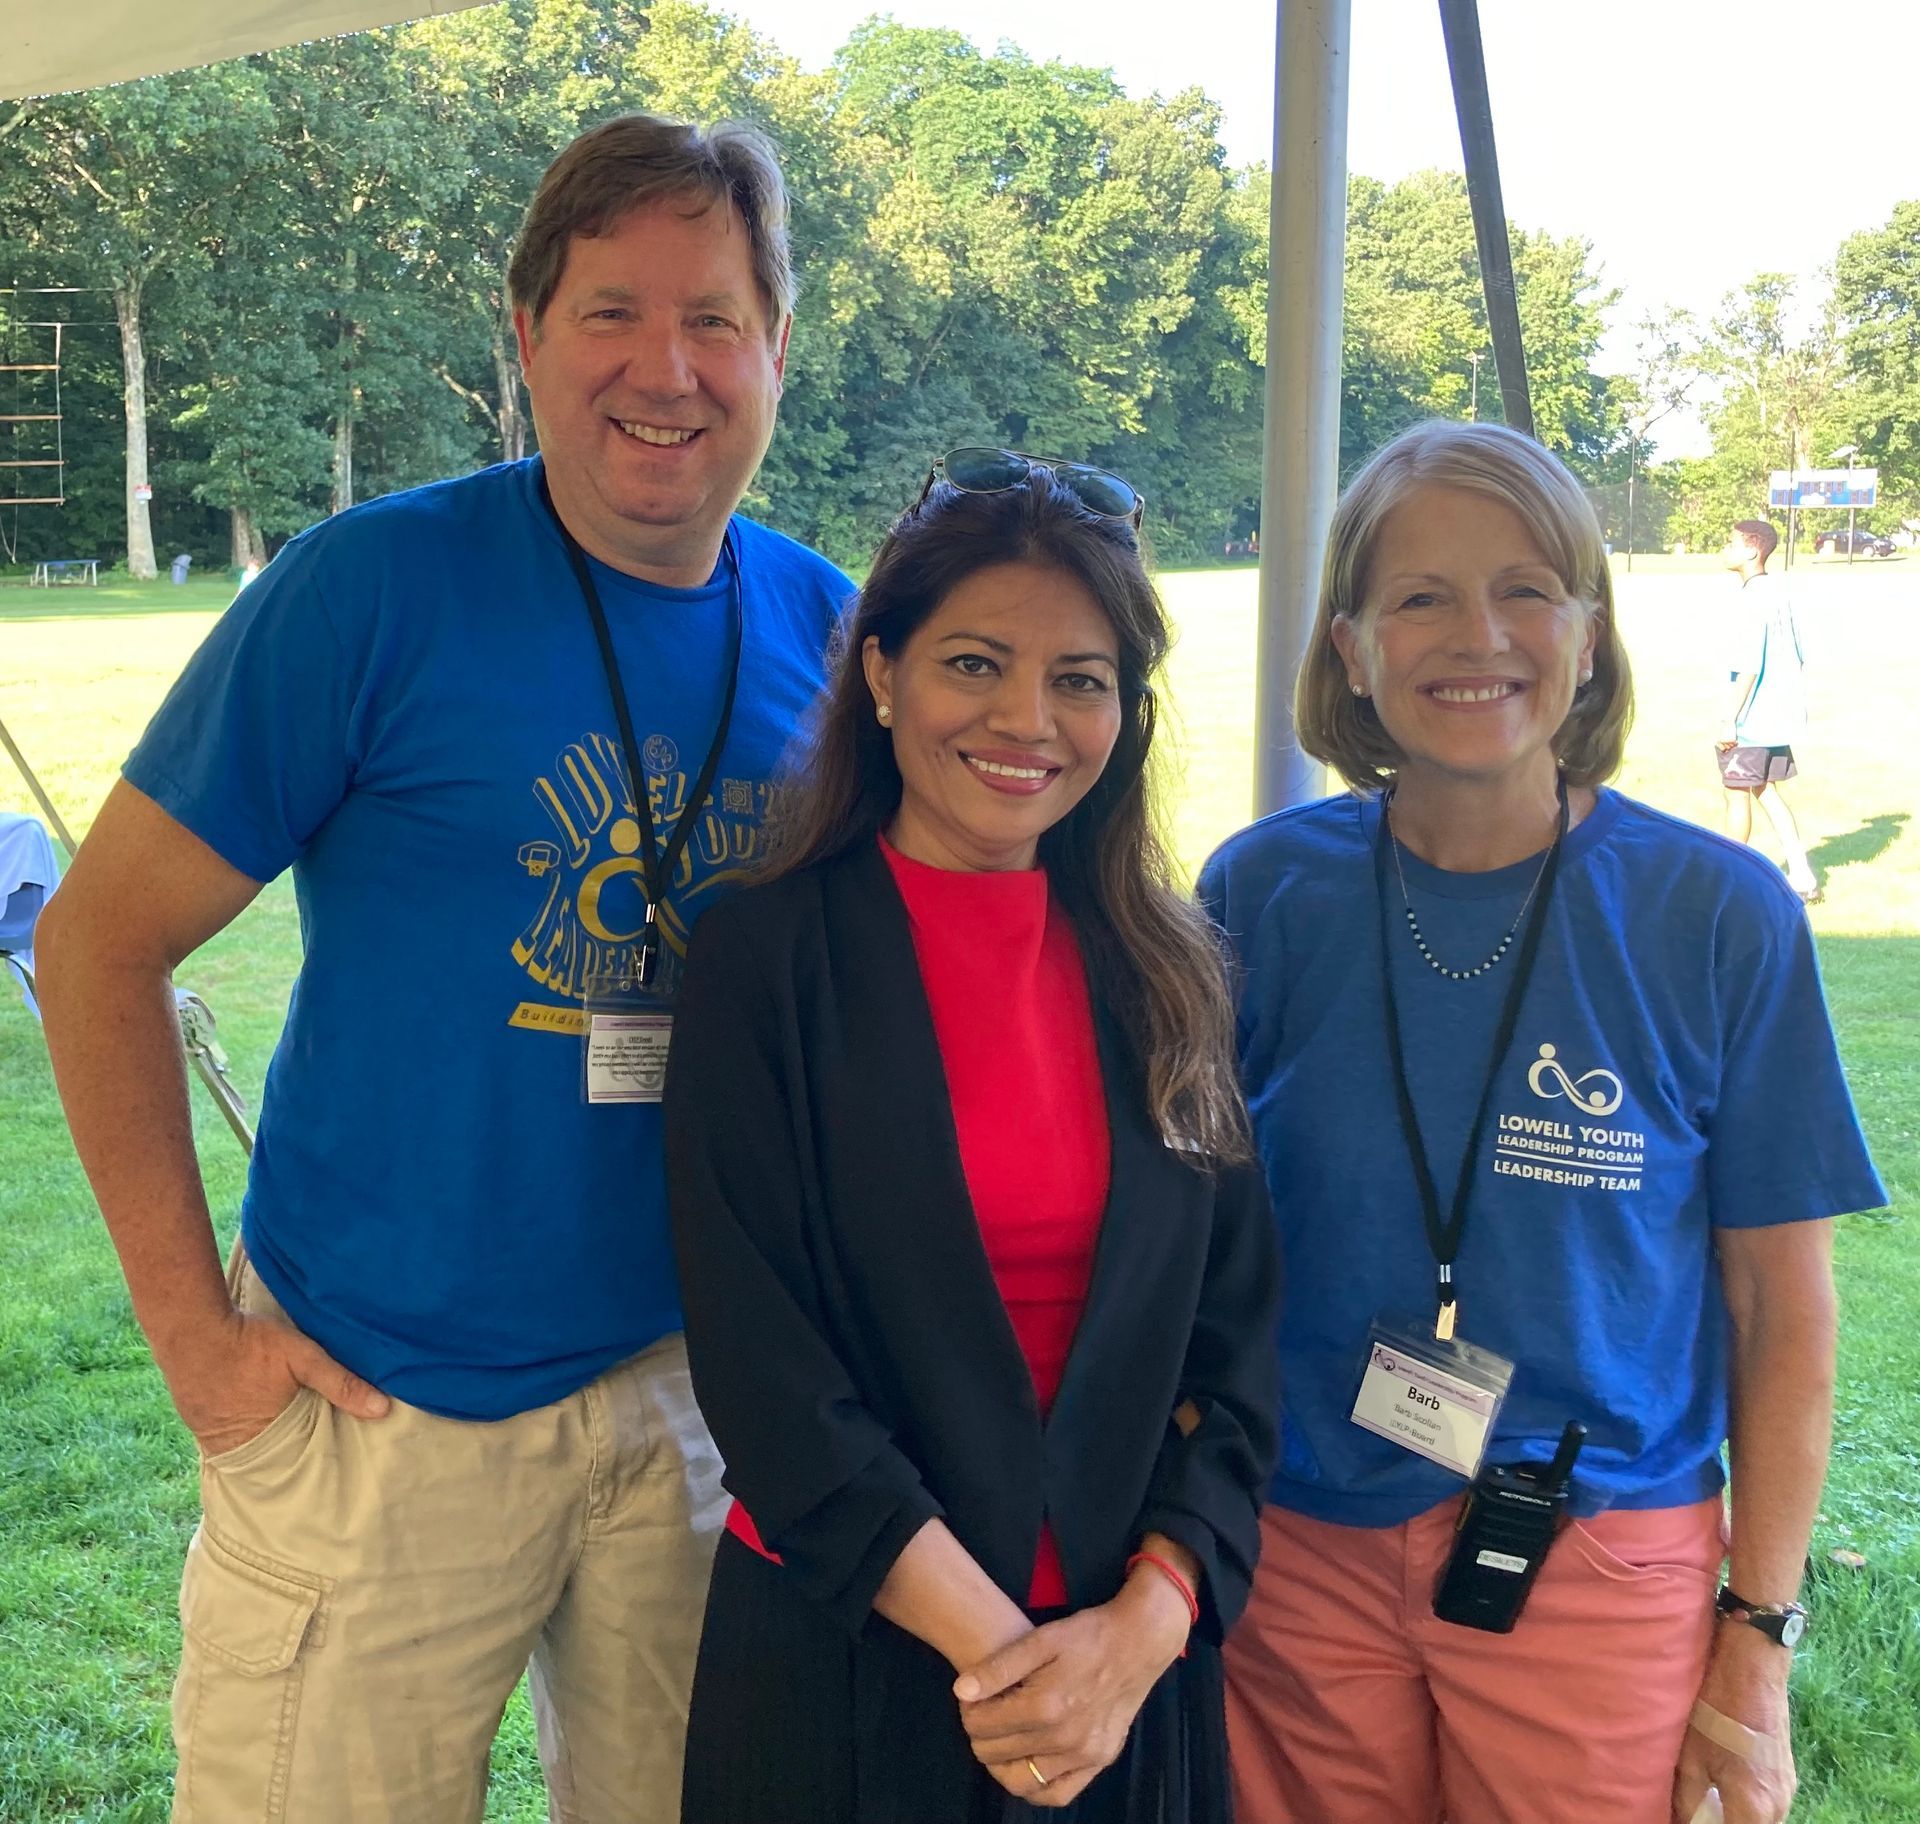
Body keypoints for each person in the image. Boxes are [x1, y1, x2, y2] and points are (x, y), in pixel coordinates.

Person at [35, 114, 852, 1822]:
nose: (667, 368)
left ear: (779, 344)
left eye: (714, 316)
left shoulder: (830, 630)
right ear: (527, 333)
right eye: (611, 310)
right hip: (374, 1403)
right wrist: (200, 1348)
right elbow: (97, 938)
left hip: (699, 1404)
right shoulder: (373, 588)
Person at [1200, 421, 1883, 1824]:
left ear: (1587, 634)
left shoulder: (1713, 914)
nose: (1478, 635)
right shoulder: (1260, 897)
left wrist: (1754, 1639)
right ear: (1349, 646)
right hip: (1305, 1540)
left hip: (1594, 1544)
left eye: (1523, 589)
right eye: (1419, 596)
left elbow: (1783, 1307)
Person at [663, 451, 1280, 1822]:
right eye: (976, 663)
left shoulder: (1171, 969)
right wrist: (1017, 1672)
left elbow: (1238, 1362)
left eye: (1081, 678)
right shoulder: (765, 962)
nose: (1029, 719)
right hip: (861, 1661)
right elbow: (767, 1376)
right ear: (880, 675)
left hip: (1129, 1675)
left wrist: (1141, 1635)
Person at [1717, 519, 1819, 901]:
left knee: (1737, 795)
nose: (1725, 549)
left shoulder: (1751, 599)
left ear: (1752, 549)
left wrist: (1730, 719)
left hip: (1751, 721)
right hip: (1778, 719)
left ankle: (1730, 880)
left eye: (1731, 542)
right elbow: (1799, 654)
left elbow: (1749, 666)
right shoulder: (1781, 592)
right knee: (1767, 793)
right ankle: (1803, 877)